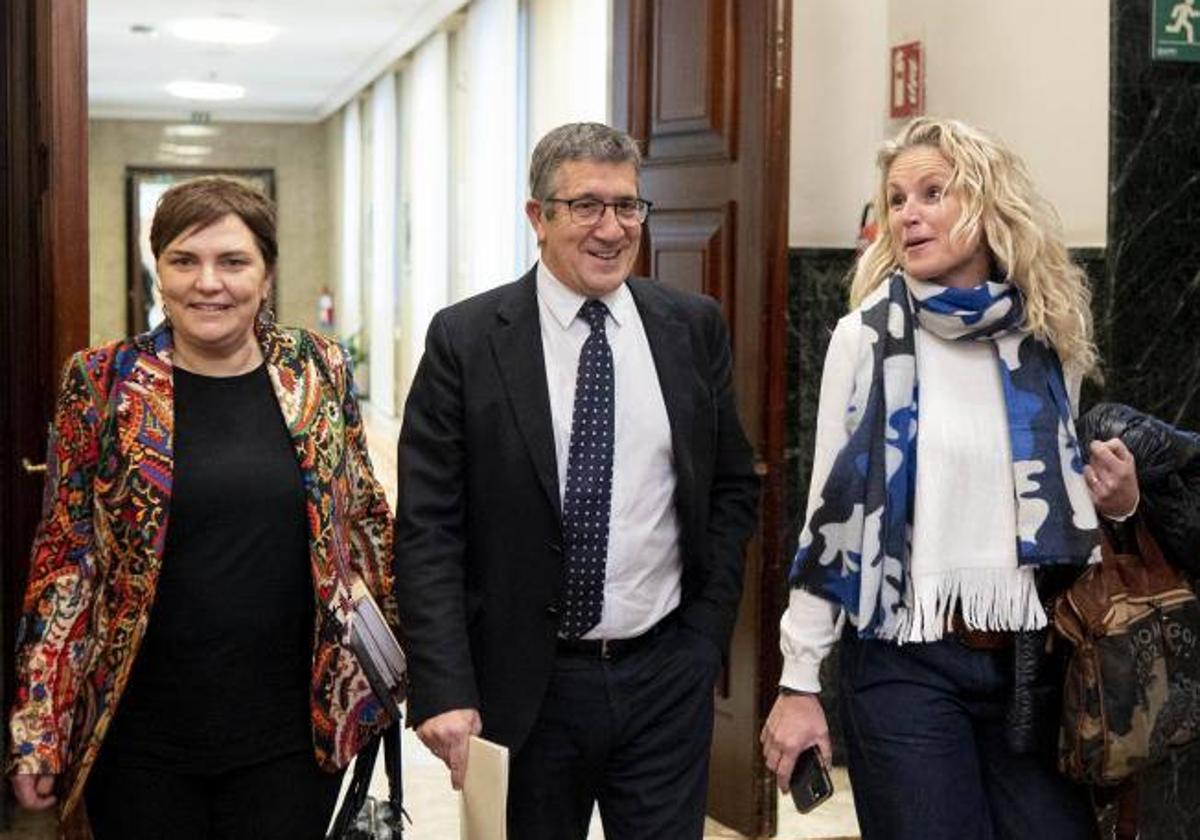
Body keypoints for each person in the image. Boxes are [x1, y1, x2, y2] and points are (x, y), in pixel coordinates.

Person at [760, 117, 1139, 840]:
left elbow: (1060, 506)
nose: (909, 213)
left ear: (989, 207)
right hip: (903, 660)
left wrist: (1117, 502)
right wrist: (799, 678)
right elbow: (829, 521)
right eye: (897, 197)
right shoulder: (864, 338)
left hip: (1030, 660)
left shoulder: (1044, 340)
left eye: (934, 192)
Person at [395, 121, 760, 840]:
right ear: (539, 217)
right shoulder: (465, 340)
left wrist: (702, 639)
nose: (612, 228)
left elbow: (731, 486)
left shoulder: (691, 326)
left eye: (628, 206)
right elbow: (429, 527)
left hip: (662, 676)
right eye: (587, 206)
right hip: (524, 688)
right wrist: (444, 688)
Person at [7, 177, 396, 839]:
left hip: (292, 735)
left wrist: (406, 671)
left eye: (233, 262)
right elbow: (63, 561)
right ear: (157, 269)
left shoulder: (316, 369)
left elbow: (363, 521)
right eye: (184, 261)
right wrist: (37, 729)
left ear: (267, 274)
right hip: (140, 735)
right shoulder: (102, 383)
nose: (207, 283)